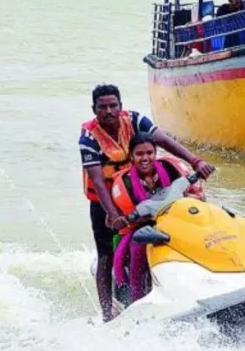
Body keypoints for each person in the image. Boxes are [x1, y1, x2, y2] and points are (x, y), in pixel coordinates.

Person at [79, 83, 215, 322]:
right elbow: (98, 181)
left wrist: (196, 161)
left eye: (113, 106)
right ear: (95, 110)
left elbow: (164, 141)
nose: (109, 111)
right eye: (103, 107)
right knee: (105, 255)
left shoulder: (134, 120)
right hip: (106, 201)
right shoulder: (89, 137)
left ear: (121, 107)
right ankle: (108, 313)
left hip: (138, 191)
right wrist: (112, 214)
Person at [108, 131, 207, 303]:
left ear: (155, 153)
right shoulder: (126, 182)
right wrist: (119, 219)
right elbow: (114, 219)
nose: (145, 158)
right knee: (137, 247)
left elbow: (196, 194)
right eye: (139, 154)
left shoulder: (170, 169)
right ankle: (137, 299)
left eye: (149, 153)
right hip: (143, 228)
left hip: (179, 218)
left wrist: (194, 198)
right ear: (131, 156)